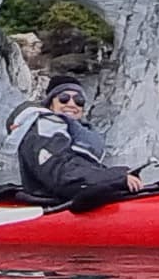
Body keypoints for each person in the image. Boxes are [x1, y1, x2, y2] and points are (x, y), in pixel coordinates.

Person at [15, 78, 140, 208]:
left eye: (78, 100)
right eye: (64, 98)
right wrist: (114, 177)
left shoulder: (72, 132)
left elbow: (80, 168)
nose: (71, 104)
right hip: (52, 204)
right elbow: (62, 173)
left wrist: (117, 175)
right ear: (50, 104)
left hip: (68, 197)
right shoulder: (44, 129)